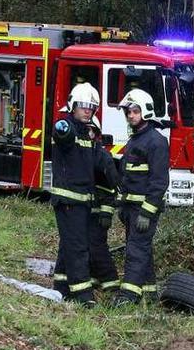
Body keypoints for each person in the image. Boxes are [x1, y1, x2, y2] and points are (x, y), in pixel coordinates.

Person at [115, 89, 169, 305]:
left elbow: (159, 182)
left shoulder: (156, 142)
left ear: (145, 112)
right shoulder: (135, 140)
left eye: (134, 111)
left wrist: (147, 212)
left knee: (135, 251)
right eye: (128, 112)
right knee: (140, 249)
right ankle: (149, 292)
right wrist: (122, 204)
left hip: (144, 211)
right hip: (131, 209)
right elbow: (127, 176)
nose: (130, 115)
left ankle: (129, 296)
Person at [50, 82, 100, 305]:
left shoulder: (87, 133)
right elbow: (62, 132)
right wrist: (67, 126)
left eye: (91, 107)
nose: (87, 110)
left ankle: (61, 286)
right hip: (68, 200)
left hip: (81, 201)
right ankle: (82, 295)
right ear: (73, 105)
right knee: (78, 246)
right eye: (83, 106)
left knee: (68, 244)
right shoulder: (66, 126)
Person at [87, 117, 120, 293]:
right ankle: (92, 279)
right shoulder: (81, 153)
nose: (88, 133)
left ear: (96, 134)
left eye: (91, 130)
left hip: (99, 212)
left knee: (97, 247)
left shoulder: (103, 157)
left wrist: (107, 212)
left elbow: (111, 186)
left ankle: (111, 283)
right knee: (86, 247)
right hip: (83, 212)